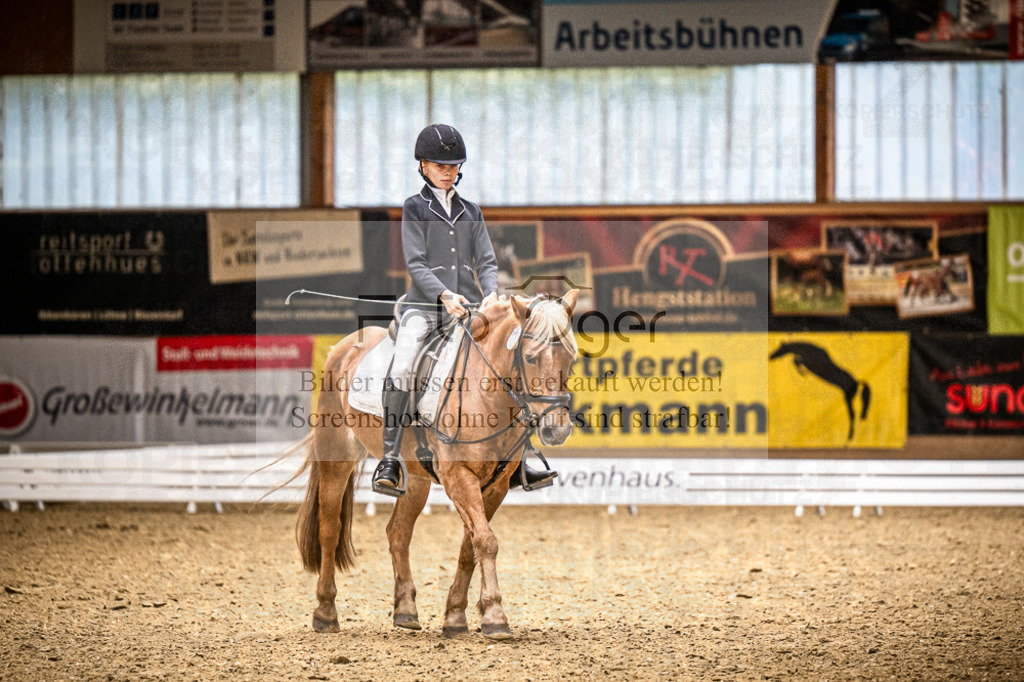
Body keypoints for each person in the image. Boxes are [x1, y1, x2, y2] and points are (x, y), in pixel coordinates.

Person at [371, 123, 557, 496]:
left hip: (472, 308)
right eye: (440, 165)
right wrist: (443, 295)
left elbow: (487, 261)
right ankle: (390, 458)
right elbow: (416, 262)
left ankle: (520, 458)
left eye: (454, 165)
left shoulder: (471, 210)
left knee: (508, 363)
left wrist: (489, 295)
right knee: (405, 361)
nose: (448, 171)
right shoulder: (414, 208)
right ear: (423, 165)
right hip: (425, 308)